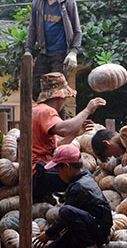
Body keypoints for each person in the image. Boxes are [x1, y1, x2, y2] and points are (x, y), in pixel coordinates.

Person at [32, 72, 106, 201]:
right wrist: (87, 110)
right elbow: (65, 129)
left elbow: (57, 146)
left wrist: (76, 133)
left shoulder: (36, 110)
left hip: (37, 172)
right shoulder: (46, 111)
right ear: (60, 96)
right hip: (38, 171)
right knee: (84, 176)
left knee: (80, 179)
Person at [33, 145, 112, 248]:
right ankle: (83, 246)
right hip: (89, 228)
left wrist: (48, 234)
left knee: (65, 211)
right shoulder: (84, 178)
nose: (59, 175)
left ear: (66, 166)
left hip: (97, 230)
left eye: (58, 171)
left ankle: (91, 246)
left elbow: (64, 217)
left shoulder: (78, 187)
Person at [24, 0, 82, 93]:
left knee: (57, 93)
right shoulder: (38, 3)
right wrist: (28, 50)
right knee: (36, 89)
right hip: (44, 53)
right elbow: (32, 28)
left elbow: (77, 31)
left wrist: (73, 52)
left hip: (61, 55)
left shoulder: (69, 3)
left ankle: (57, 109)